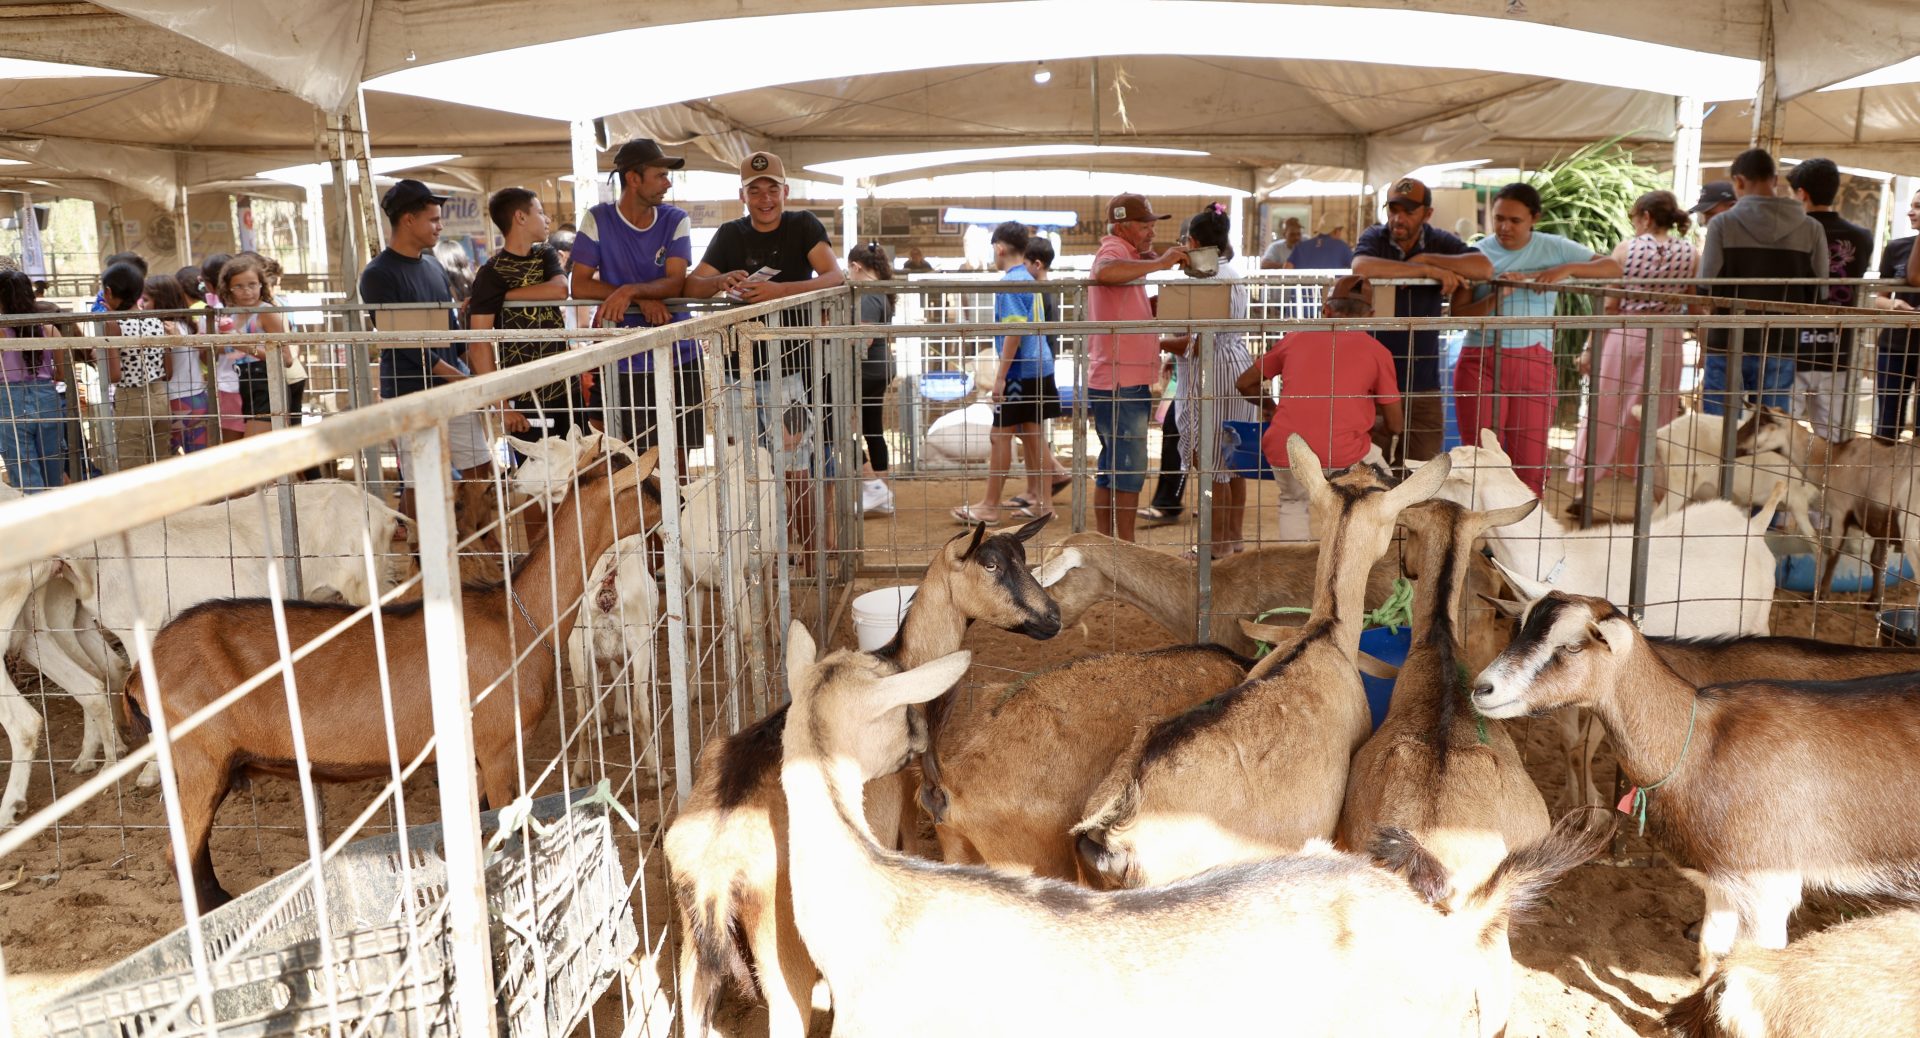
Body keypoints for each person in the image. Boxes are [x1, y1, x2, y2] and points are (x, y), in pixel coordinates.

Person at [684, 150, 844, 565]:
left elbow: (835, 277)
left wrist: (778, 292)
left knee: (796, 467)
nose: (765, 198)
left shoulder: (803, 225)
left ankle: (813, 560)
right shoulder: (729, 234)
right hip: (737, 372)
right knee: (746, 472)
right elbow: (693, 285)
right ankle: (761, 562)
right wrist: (720, 280)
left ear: (785, 191)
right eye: (755, 191)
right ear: (743, 195)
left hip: (790, 371)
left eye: (772, 189)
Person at [1452, 182, 1622, 496]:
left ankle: (1528, 523)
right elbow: (1458, 314)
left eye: (1514, 220)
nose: (1505, 227)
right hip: (1481, 359)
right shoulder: (1476, 253)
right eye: (1499, 218)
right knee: (1479, 456)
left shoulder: (1554, 247)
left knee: (1530, 457)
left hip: (1533, 360)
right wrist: (1499, 293)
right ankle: (1480, 520)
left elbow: (1612, 268)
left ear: (1534, 218)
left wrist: (1565, 270)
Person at [360, 178, 490, 516]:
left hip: (450, 384)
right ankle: (417, 545)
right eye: (433, 219)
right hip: (410, 389)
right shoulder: (378, 274)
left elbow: (451, 329)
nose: (440, 226)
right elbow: (400, 339)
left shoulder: (433, 264)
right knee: (421, 478)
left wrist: (474, 370)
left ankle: (482, 540)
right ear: (408, 220)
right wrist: (458, 377)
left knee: (480, 467)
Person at [1235, 275, 1400, 541]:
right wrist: (1370, 423)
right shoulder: (1378, 352)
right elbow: (1396, 424)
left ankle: (1296, 566)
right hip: (1345, 452)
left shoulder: (1295, 338)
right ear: (1370, 315)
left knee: (1292, 502)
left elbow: (1244, 383)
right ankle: (1361, 555)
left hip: (1287, 446)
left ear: (1326, 310)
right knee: (1388, 491)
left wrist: (1272, 407)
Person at [569, 138, 705, 458]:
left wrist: (629, 291)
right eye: (660, 175)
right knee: (623, 458)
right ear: (633, 178)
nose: (667, 183)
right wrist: (640, 298)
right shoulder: (597, 218)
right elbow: (580, 286)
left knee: (677, 457)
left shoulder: (675, 218)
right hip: (621, 357)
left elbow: (675, 283)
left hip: (679, 354)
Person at [1350, 177, 1493, 467]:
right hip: (1372, 380)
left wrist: (1428, 258)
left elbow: (1484, 268)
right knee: (1366, 471)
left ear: (1427, 214)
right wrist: (1425, 270)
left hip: (1423, 379)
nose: (1398, 218)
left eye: (1409, 211)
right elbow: (1361, 266)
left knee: (1422, 470)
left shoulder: (1440, 241)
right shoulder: (1375, 237)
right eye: (1393, 209)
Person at [1566, 190, 1696, 491]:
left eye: (1635, 219)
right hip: (1668, 338)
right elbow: (1694, 304)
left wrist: (1589, 349)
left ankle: (1586, 482)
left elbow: (1610, 306)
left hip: (1626, 333)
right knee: (1659, 411)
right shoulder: (1691, 253)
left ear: (1646, 217)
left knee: (1607, 408)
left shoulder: (1627, 249)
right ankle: (1650, 485)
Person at [1696, 148, 1827, 421]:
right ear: (1775, 179)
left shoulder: (1722, 224)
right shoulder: (1812, 228)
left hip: (1727, 339)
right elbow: (1820, 292)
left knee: (1719, 424)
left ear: (1739, 181)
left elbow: (1705, 285)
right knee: (1770, 427)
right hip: (1781, 341)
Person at [1086, 192, 1187, 542]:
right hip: (1121, 380)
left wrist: (1151, 303)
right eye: (1144, 225)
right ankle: (1124, 546)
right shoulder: (1114, 250)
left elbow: (1115, 285)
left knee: (1113, 466)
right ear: (1122, 226)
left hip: (1119, 378)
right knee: (1128, 467)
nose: (1151, 231)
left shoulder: (1126, 254)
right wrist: (1160, 263)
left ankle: (1108, 542)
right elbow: (1105, 272)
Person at [1159, 203, 1255, 557]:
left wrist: (1158, 342)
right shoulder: (1232, 273)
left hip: (1212, 373)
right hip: (1236, 367)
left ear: (1194, 243)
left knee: (1212, 464)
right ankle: (1233, 537)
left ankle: (1215, 545)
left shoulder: (1210, 281)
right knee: (1233, 463)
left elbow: (1198, 344)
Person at [954, 222, 1062, 525]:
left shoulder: (1012, 281)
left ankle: (990, 506)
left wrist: (1001, 376)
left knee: (1000, 435)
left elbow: (1014, 330)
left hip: (1020, 372)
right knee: (1033, 435)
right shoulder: (1027, 278)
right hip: (1039, 367)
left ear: (1000, 248)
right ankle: (1044, 504)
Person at [467, 187, 575, 443]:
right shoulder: (491, 272)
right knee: (536, 465)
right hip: (523, 394)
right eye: (540, 212)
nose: (547, 219)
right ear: (521, 217)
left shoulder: (545, 254)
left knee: (578, 461)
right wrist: (502, 406)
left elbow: (560, 289)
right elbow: (478, 344)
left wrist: (503, 296)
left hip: (565, 386)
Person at [1787, 157, 1874, 440]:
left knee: (1781, 435)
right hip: (1840, 348)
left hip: (1792, 347)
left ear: (1802, 193)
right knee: (1835, 439)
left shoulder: (1788, 233)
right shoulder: (1861, 237)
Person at [222, 253, 308, 438]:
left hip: (266, 384)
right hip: (242, 384)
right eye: (239, 286)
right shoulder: (232, 314)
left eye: (252, 285)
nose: (247, 291)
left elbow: (286, 359)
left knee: (253, 445)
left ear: (261, 284)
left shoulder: (266, 312)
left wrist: (245, 346)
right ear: (229, 289)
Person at [0, 269, 69, 492]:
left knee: (24, 471)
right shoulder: (49, 329)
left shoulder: (1, 332)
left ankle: (34, 511)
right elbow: (61, 374)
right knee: (53, 468)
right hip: (47, 398)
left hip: (9, 400)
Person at [101, 265, 174, 471]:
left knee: (132, 465)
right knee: (161, 460)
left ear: (108, 292)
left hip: (131, 400)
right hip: (160, 396)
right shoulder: (156, 321)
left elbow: (114, 375)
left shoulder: (114, 325)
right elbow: (168, 372)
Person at [845, 241, 898, 517]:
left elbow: (863, 338)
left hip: (866, 370)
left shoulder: (867, 294)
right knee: (873, 428)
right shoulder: (882, 291)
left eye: (849, 269)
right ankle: (883, 493)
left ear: (856, 267)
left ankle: (873, 486)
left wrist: (835, 337)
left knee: (837, 427)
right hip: (881, 368)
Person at [1873, 187, 1920, 439]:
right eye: (1911, 205)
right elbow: (1879, 298)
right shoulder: (1896, 247)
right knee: (1887, 425)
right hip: (1895, 345)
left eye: (1918, 207)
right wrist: (1894, 304)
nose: (1911, 212)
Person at [1285, 221, 1354, 269]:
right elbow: (1355, 266)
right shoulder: (1342, 247)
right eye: (1340, 230)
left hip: (1303, 286)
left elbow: (1287, 267)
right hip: (1332, 286)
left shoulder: (1300, 246)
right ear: (1336, 231)